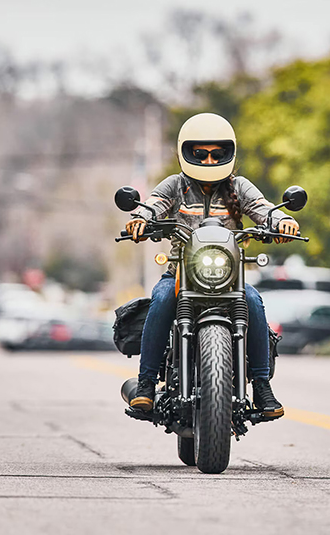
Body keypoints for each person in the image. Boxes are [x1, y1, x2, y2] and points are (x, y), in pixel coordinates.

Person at [125, 112, 300, 420]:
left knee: (254, 301)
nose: (208, 161)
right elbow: (153, 205)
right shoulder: (175, 186)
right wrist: (141, 220)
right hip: (179, 273)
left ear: (228, 153)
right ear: (186, 152)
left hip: (231, 277)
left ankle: (260, 384)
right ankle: (147, 383)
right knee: (163, 298)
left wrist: (282, 221)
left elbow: (264, 209)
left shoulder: (239, 187)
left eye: (216, 154)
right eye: (200, 153)